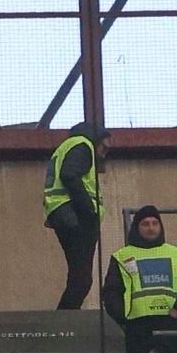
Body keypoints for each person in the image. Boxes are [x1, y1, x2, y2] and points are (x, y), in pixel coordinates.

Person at [103, 205, 177, 353]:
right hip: (137, 325)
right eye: (145, 224)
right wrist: (122, 317)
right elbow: (111, 291)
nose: (151, 228)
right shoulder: (122, 256)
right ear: (137, 227)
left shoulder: (175, 253)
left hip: (171, 322)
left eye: (154, 223)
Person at [44, 121, 108, 310]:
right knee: (81, 279)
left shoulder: (69, 146)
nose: (105, 152)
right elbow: (69, 175)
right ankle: (65, 321)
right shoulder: (83, 144)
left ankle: (65, 319)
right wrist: (88, 210)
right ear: (95, 139)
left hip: (63, 212)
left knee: (78, 277)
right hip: (74, 213)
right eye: (105, 146)